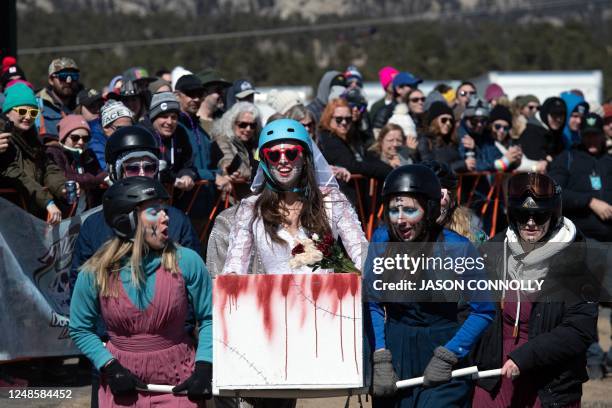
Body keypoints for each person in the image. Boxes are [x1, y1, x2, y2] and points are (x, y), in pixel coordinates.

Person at [69, 176, 213, 407]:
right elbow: (79, 328)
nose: (166, 217)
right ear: (127, 220)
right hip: (123, 381)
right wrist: (109, 365)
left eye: (164, 209)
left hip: (179, 381)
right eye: (154, 211)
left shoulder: (187, 261)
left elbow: (210, 318)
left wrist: (205, 365)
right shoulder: (96, 271)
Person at [366, 164, 494, 407]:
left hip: (443, 344)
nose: (401, 220)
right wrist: (380, 355)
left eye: (410, 210)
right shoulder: (381, 240)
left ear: (430, 208)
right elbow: (372, 302)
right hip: (395, 349)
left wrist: (451, 353)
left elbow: (483, 310)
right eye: (394, 210)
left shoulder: (458, 247)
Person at [472, 172, 598, 407]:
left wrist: (525, 357)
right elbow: (470, 311)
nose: (530, 222)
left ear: (553, 215)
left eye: (539, 216)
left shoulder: (576, 259)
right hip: (495, 373)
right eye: (523, 214)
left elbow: (580, 329)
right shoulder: (492, 251)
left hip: (549, 380)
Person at [0, 83, 67, 224]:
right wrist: (47, 201)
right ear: (8, 112)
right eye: (23, 111)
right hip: (8, 216)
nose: (28, 117)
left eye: (33, 112)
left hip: (29, 214)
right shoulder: (3, 137)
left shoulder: (32, 138)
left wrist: (62, 187)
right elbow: (13, 172)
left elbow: (48, 167)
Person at [318, 98, 392, 205]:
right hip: (343, 201)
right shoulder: (328, 138)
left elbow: (365, 156)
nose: (344, 123)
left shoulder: (347, 136)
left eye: (348, 119)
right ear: (329, 119)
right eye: (339, 119)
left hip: (356, 199)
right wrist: (385, 171)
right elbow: (351, 165)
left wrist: (387, 168)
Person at [46, 114, 106, 208]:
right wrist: (97, 179)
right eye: (75, 138)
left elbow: (100, 174)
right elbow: (66, 178)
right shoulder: (53, 152)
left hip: (86, 208)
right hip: (64, 210)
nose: (81, 142)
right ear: (64, 137)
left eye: (86, 138)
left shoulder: (88, 153)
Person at [143, 92, 197, 192]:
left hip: (174, 198)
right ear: (153, 117)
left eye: (174, 117)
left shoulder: (180, 133)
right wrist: (173, 179)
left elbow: (188, 164)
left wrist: (187, 175)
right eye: (164, 116)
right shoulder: (141, 135)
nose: (169, 122)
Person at [211, 101, 262, 199]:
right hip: (230, 200)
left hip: (251, 198)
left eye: (253, 125)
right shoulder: (222, 141)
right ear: (232, 123)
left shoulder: (254, 144)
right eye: (243, 124)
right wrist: (257, 173)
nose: (248, 129)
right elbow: (230, 167)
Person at [517, 97, 566, 171]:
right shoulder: (531, 132)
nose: (558, 119)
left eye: (561, 115)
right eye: (554, 115)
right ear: (545, 114)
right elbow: (534, 157)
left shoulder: (557, 133)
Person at [36, 57, 81, 139]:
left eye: (73, 76)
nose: (68, 81)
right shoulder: (37, 104)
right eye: (63, 76)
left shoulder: (82, 105)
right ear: (51, 80)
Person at [418, 102, 468, 173]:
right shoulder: (425, 141)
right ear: (434, 121)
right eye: (444, 120)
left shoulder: (452, 141)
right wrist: (461, 165)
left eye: (451, 121)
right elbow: (432, 168)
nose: (448, 123)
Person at [89, 100, 134, 171]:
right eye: (121, 129)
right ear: (106, 128)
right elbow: (105, 170)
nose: (127, 133)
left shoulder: (134, 138)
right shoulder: (95, 144)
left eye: (130, 129)